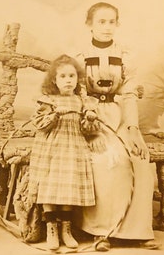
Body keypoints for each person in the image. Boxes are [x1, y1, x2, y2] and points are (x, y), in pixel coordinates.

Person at [74, 2, 160, 251]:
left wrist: (133, 129)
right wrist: (90, 125)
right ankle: (101, 232)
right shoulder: (79, 54)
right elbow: (78, 93)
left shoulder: (125, 54)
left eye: (112, 21)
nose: (107, 27)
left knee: (141, 158)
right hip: (90, 117)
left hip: (120, 115)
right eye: (101, 21)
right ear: (89, 24)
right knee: (109, 161)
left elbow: (130, 93)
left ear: (118, 24)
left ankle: (137, 231)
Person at [28, 54, 100, 250]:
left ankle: (65, 229)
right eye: (63, 76)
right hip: (51, 148)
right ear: (54, 80)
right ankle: (51, 228)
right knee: (50, 188)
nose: (68, 80)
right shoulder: (48, 101)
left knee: (69, 187)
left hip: (74, 148)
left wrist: (90, 119)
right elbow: (39, 125)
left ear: (77, 79)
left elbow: (89, 131)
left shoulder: (81, 102)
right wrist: (53, 115)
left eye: (72, 76)